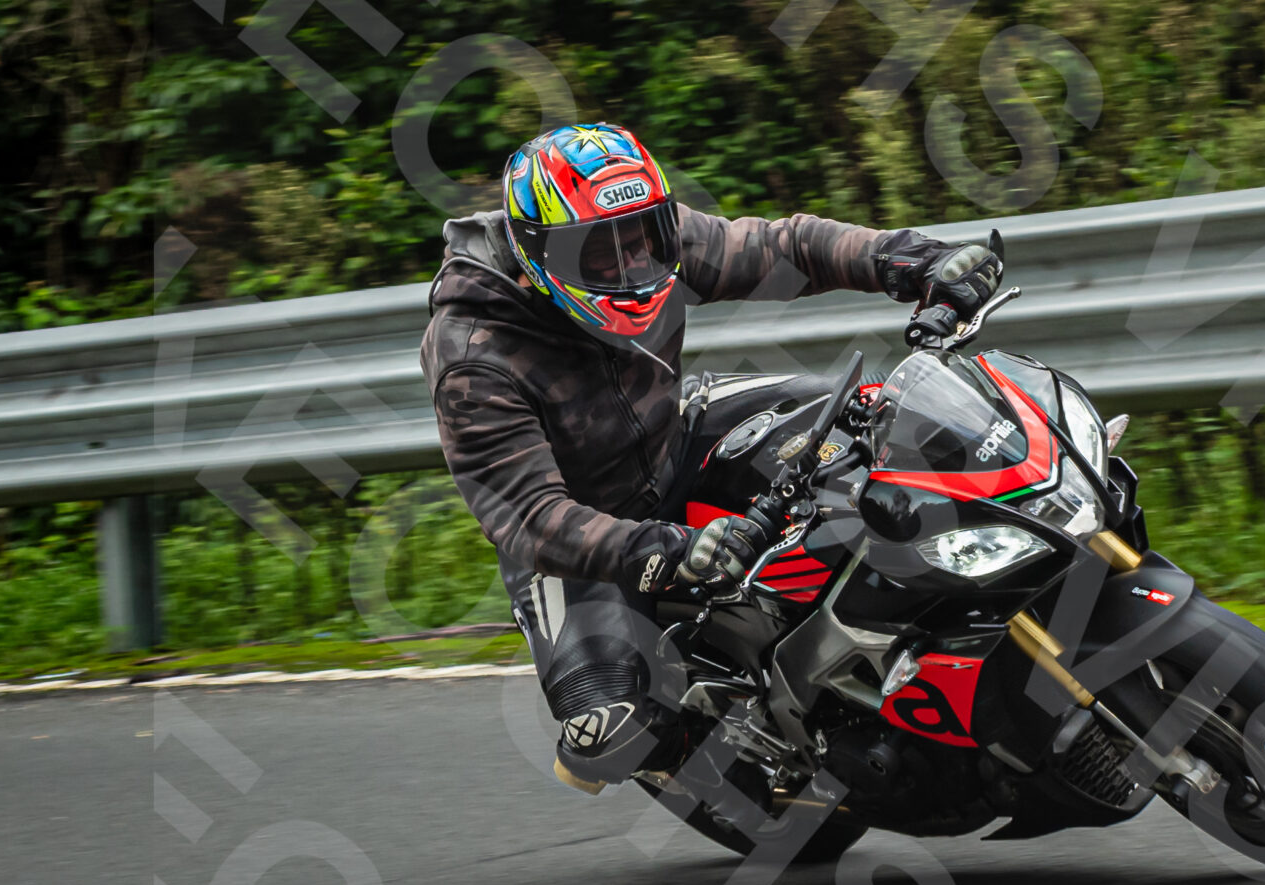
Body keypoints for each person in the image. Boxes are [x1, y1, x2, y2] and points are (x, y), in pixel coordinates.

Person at [419, 123, 1001, 790]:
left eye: (643, 238)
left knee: (869, 416)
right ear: (536, 255)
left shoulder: (654, 238)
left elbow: (787, 247)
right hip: (577, 534)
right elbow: (529, 515)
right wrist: (665, 550)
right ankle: (724, 739)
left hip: (678, 431)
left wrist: (909, 259)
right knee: (608, 738)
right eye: (598, 256)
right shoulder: (472, 354)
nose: (631, 265)